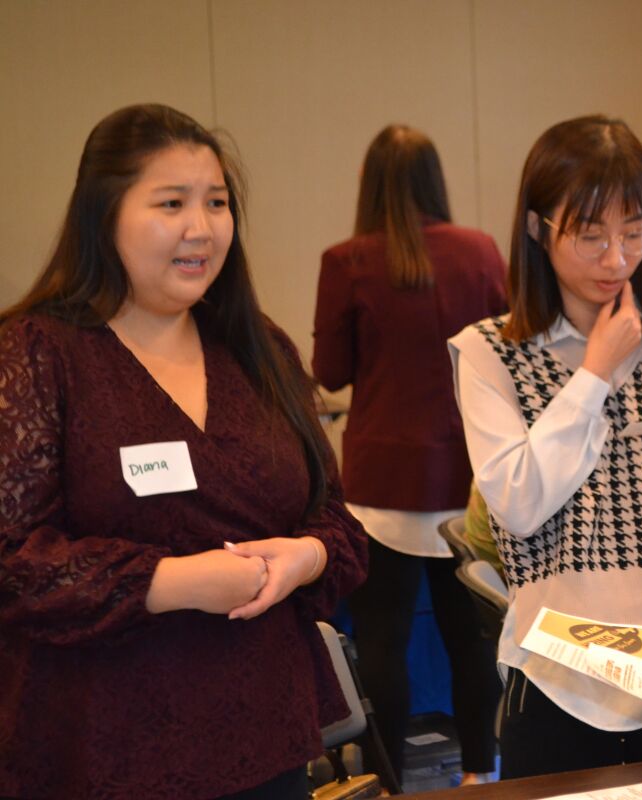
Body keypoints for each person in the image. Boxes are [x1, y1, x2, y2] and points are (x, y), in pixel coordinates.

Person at [0, 104, 368, 799]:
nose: (202, 228)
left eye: (218, 204)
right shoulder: (39, 352)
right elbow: (12, 561)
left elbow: (337, 522)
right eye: (171, 203)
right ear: (102, 214)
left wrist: (305, 557)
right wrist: (175, 583)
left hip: (264, 733)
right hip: (100, 745)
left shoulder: (258, 346)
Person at [448, 115, 642, 780]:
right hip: (567, 682)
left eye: (635, 234)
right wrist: (593, 374)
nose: (616, 259)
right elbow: (518, 506)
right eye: (590, 236)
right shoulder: (488, 352)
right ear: (538, 229)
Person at [312, 124, 507, 787]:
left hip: (380, 484)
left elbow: (330, 372)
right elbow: (513, 354)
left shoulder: (347, 260)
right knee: (472, 638)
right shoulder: (480, 253)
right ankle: (483, 773)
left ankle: (389, 783)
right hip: (467, 476)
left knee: (382, 640)